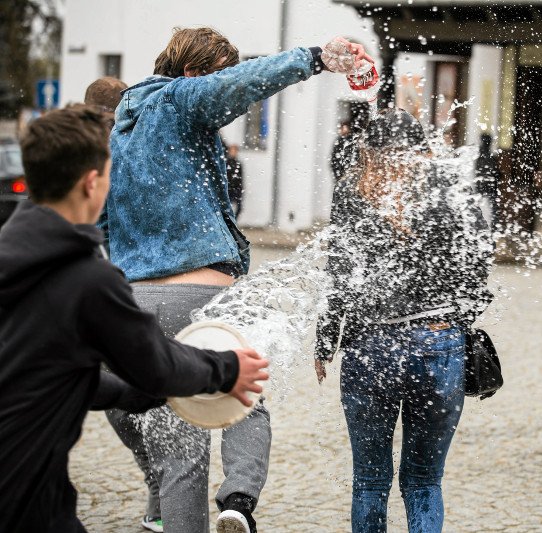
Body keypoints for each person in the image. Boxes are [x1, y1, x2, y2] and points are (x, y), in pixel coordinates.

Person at [105, 27, 372, 533]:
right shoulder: (180, 99)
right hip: (201, 296)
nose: (224, 93)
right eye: (217, 75)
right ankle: (238, 501)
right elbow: (241, 83)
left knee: (179, 451)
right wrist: (316, 58)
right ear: (192, 73)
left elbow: (102, 223)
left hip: (139, 298)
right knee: (244, 395)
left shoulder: (124, 130)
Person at [0, 105, 268, 533]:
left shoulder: (15, 256)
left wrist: (137, 394)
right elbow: (157, 363)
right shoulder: (86, 277)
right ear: (92, 183)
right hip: (26, 502)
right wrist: (229, 368)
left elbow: (43, 369)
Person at [315, 109, 493, 532]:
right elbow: (479, 270)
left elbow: (338, 274)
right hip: (437, 346)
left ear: (368, 151)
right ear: (424, 150)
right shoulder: (451, 191)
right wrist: (453, 319)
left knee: (370, 481)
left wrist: (325, 342)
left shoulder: (351, 194)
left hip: (369, 347)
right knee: (424, 481)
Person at [474, 133, 500, 235]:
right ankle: (489, 228)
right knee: (489, 208)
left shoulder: (484, 154)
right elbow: (489, 170)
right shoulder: (485, 155)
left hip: (485, 185)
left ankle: (490, 228)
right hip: (487, 185)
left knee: (490, 208)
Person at [226, 143, 244, 219]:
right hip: (229, 188)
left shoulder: (238, 164)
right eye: (232, 150)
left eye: (235, 151)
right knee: (227, 206)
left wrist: (241, 188)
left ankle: (233, 220)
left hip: (236, 188)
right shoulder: (226, 163)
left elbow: (240, 177)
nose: (233, 152)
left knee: (239, 207)